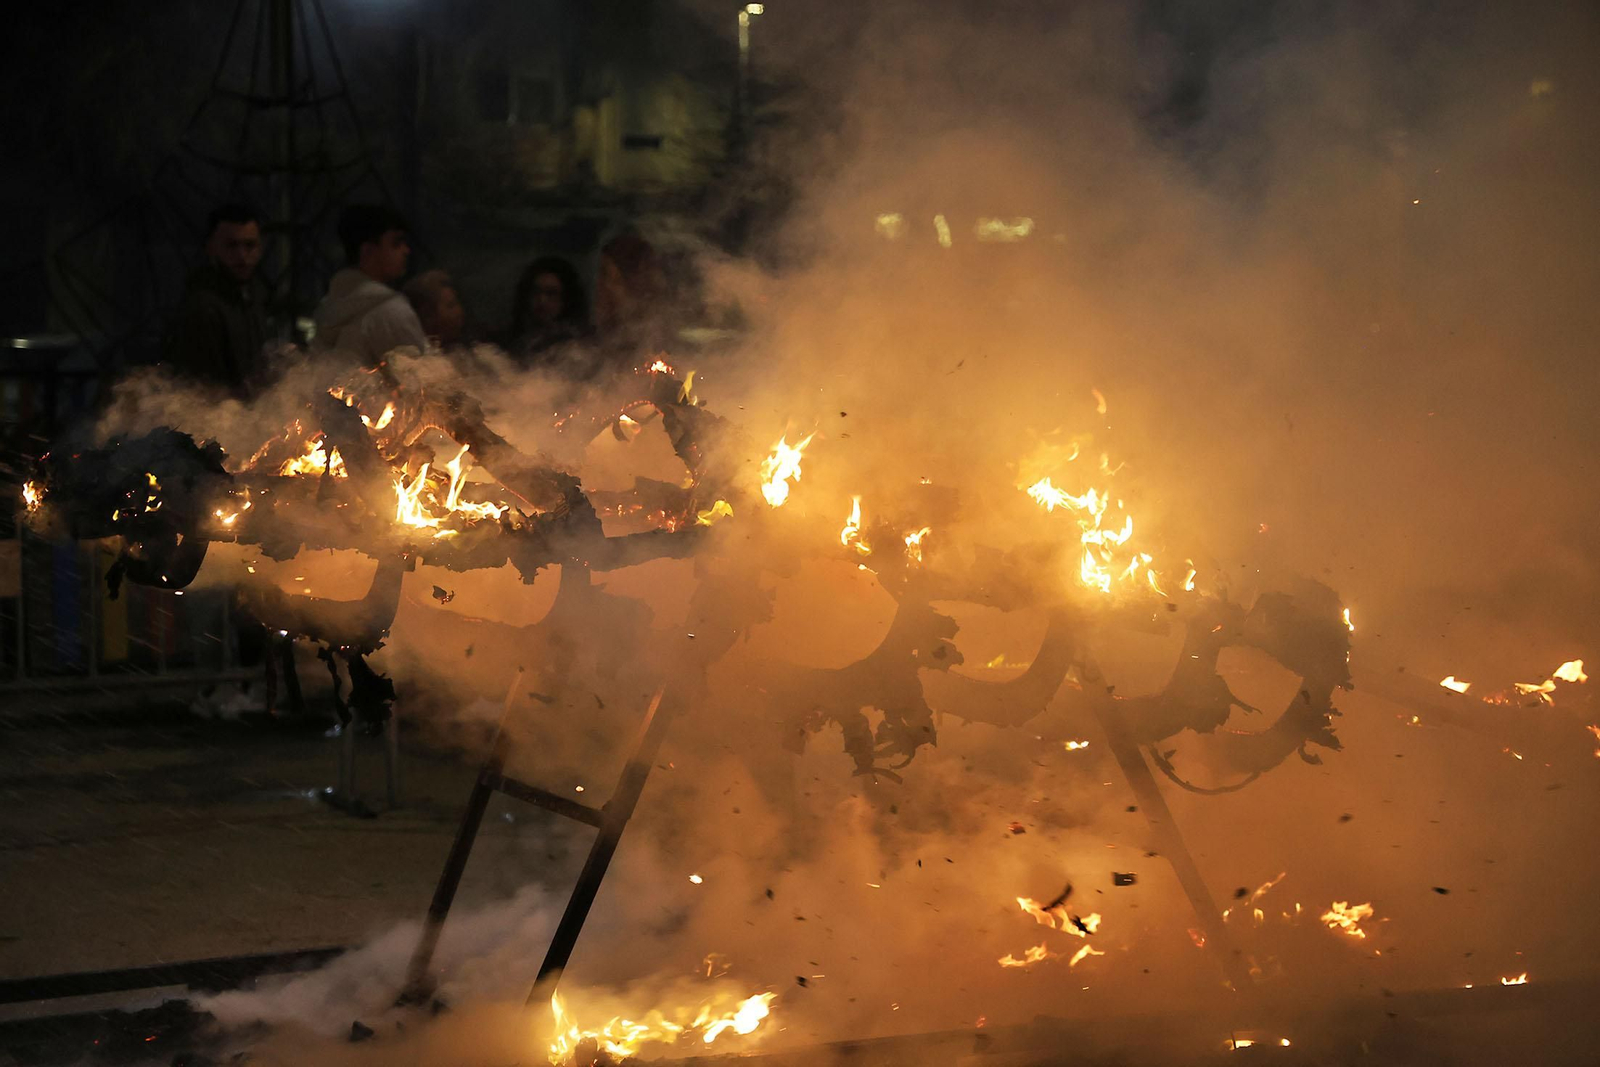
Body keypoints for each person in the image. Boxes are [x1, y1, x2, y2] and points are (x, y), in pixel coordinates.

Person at [166, 203, 270, 398]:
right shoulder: (202, 306)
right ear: (211, 247)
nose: (242, 255)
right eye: (231, 245)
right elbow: (203, 388)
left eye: (249, 245)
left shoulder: (252, 296)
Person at [311, 204, 427, 367]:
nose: (406, 250)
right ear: (367, 251)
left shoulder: (330, 304)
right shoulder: (390, 310)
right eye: (396, 243)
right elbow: (421, 381)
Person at [507, 255, 590, 365]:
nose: (542, 300)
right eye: (536, 292)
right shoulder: (513, 340)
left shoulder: (577, 346)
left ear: (566, 299)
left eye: (551, 294)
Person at [403, 269, 466, 348]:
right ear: (428, 315)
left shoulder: (461, 348)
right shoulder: (412, 356)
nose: (459, 312)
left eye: (457, 304)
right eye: (451, 306)